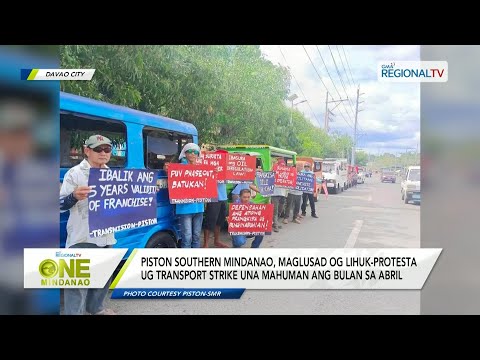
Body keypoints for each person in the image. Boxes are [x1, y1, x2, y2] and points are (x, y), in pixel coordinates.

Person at [59, 134, 117, 315]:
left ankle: (96, 309)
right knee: (77, 285)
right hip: (82, 236)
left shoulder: (111, 174)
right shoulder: (74, 173)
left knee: (102, 277)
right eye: (98, 149)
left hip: (107, 236)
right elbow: (59, 205)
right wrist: (73, 196)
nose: (103, 153)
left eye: (107, 149)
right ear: (87, 150)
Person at [176, 143, 204, 248]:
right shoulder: (178, 168)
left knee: (196, 236)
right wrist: (167, 169)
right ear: (185, 153)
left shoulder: (203, 169)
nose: (192, 154)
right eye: (190, 152)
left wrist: (213, 173)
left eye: (195, 152)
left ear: (198, 154)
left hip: (199, 207)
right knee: (187, 237)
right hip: (185, 208)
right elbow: (172, 177)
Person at [203, 149, 229, 248]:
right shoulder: (211, 167)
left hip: (223, 197)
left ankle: (216, 241)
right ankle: (205, 244)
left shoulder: (227, 168)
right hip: (213, 197)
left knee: (220, 221)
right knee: (210, 220)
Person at [271, 157, 287, 232]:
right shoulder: (273, 173)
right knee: (275, 210)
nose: (282, 167)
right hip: (274, 193)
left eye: (283, 165)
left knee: (280, 209)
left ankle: (275, 222)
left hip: (283, 194)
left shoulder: (287, 173)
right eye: (281, 165)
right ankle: (275, 225)